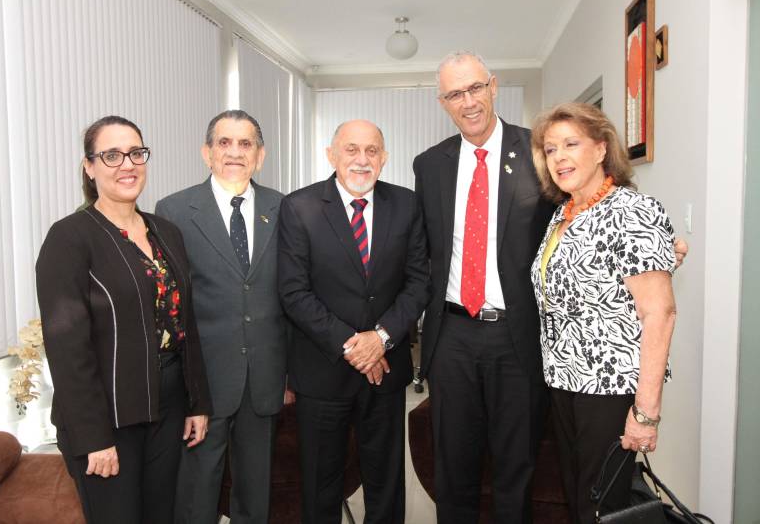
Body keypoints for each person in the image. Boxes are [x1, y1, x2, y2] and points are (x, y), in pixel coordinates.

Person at [36, 115, 212, 524]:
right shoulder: (69, 238)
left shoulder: (165, 232)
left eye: (135, 153)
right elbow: (67, 350)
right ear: (89, 166)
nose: (127, 164)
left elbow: (185, 325)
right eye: (112, 155)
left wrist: (197, 403)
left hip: (168, 406)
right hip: (107, 415)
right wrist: (93, 438)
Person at [413, 52, 554, 524]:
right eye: (455, 94)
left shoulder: (539, 151)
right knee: (452, 466)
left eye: (475, 88)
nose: (468, 101)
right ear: (443, 102)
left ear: (493, 86)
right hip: (451, 336)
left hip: (517, 335)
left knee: (516, 465)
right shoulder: (429, 165)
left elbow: (578, 211)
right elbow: (422, 249)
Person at [529, 102, 676, 523]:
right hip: (565, 382)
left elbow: (660, 314)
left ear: (601, 148)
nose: (559, 157)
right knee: (582, 502)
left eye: (571, 144)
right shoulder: (564, 214)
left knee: (602, 509)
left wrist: (645, 414)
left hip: (609, 390)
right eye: (551, 149)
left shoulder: (632, 211)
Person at [278, 120, 430, 524]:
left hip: (386, 369)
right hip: (322, 371)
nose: (362, 160)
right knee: (320, 487)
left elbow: (419, 282)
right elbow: (293, 292)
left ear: (384, 158)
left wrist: (380, 339)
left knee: (386, 485)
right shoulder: (299, 207)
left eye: (371, 150)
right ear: (331, 155)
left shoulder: (407, 205)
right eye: (351, 149)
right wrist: (353, 345)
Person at [155, 110, 287, 524]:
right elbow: (169, 305)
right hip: (203, 381)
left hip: (264, 376)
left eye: (245, 144)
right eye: (224, 143)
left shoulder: (283, 208)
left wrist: (290, 374)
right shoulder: (173, 211)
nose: (235, 152)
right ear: (207, 153)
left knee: (255, 492)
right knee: (197, 495)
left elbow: (292, 293)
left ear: (260, 156)